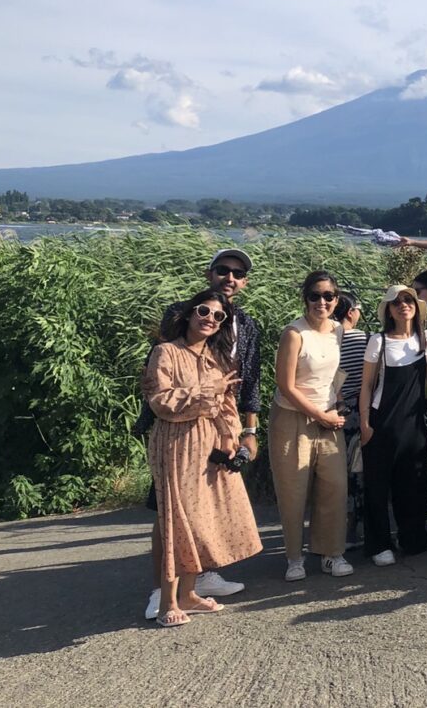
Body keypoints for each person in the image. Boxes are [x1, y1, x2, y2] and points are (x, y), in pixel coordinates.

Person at [142, 247, 260, 621]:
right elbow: (160, 398)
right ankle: (164, 598)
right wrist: (205, 395)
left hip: (210, 442)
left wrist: (242, 435)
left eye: (238, 273)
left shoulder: (231, 343)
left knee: (203, 517)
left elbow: (241, 390)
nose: (210, 317)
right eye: (204, 311)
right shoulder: (168, 347)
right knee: (174, 518)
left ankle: (190, 591)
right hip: (175, 443)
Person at [358, 285, 427, 566]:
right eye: (396, 302)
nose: (403, 306)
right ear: (388, 309)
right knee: (377, 486)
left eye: (408, 300)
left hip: (413, 422)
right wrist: (364, 423)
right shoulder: (379, 341)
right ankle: (379, 545)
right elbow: (366, 386)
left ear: (416, 306)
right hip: (381, 422)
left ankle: (412, 538)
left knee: (411, 484)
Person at [270, 271, 351, 581]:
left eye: (328, 296)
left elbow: (334, 373)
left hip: (329, 417)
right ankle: (294, 558)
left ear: (336, 299)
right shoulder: (294, 333)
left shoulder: (338, 331)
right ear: (305, 298)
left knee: (334, 488)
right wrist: (320, 415)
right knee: (293, 490)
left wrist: (339, 401)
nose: (322, 301)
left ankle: (332, 554)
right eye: (315, 295)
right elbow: (286, 386)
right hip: (292, 418)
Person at [333, 293, 368, 547]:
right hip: (357, 412)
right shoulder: (362, 338)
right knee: (357, 471)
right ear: (350, 313)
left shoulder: (326, 339)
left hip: (330, 411)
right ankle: (353, 529)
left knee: (335, 472)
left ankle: (330, 530)